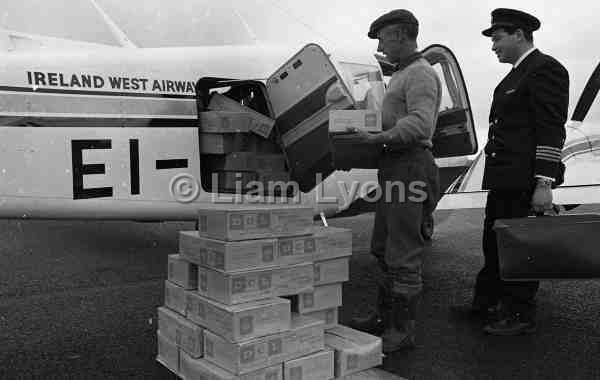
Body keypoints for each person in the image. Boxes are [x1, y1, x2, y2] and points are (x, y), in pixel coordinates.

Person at [453, 8, 569, 335]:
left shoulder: (546, 69)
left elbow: (550, 128)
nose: (493, 46)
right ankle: (488, 302)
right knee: (494, 241)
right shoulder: (515, 75)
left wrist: (543, 181)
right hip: (505, 177)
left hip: (524, 178)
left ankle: (520, 313)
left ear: (519, 34)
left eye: (498, 38)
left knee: (519, 246)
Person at [347, 9, 441, 353]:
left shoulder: (420, 74)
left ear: (400, 36)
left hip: (410, 166)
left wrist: (375, 139)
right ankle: (384, 318)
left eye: (384, 39)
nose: (381, 46)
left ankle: (401, 331)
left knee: (403, 254)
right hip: (394, 167)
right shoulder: (402, 74)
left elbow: (420, 126)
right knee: (382, 248)